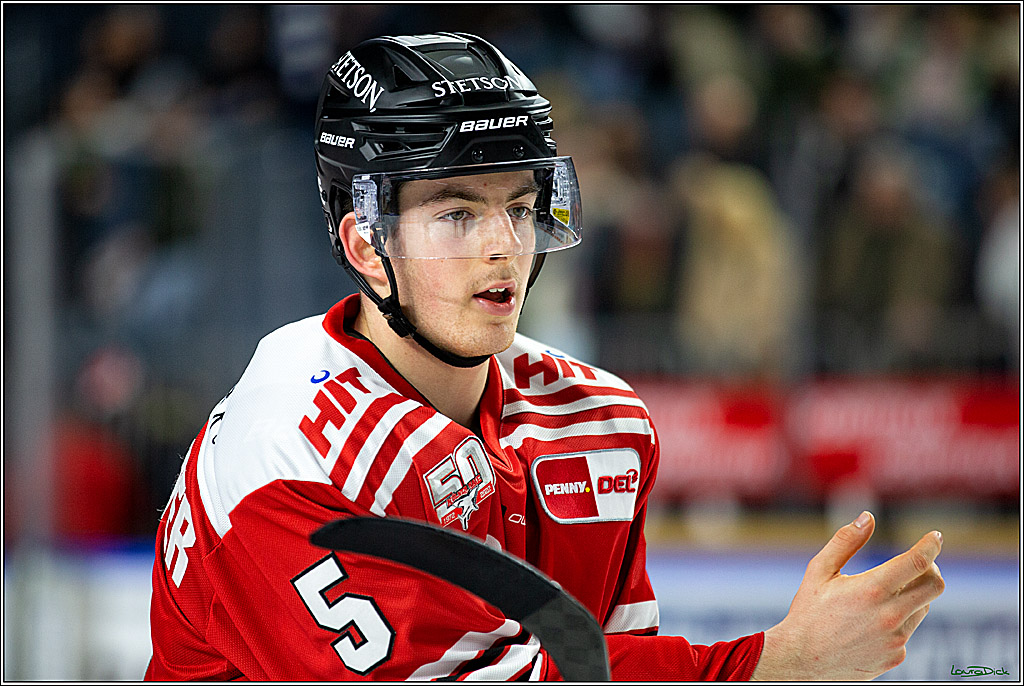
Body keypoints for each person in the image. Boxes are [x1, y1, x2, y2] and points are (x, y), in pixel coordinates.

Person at [146, 32, 944, 681]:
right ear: (366, 242)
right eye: (457, 214)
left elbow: (602, 665)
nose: (503, 247)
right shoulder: (285, 452)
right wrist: (777, 666)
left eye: (522, 207)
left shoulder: (599, 423)